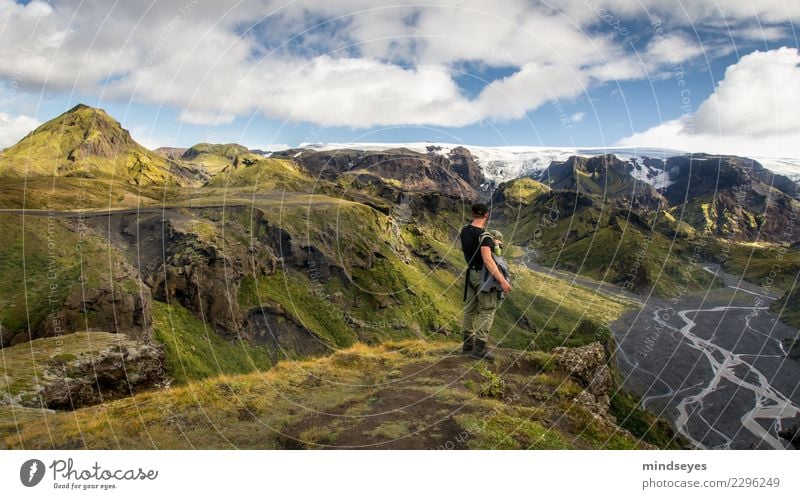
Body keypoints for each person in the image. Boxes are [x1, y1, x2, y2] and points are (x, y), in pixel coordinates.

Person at [459, 203, 511, 360]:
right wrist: (503, 281)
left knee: (470, 309)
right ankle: (479, 349)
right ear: (486, 215)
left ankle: (467, 345)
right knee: (487, 310)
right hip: (483, 277)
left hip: (470, 274)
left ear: (473, 213)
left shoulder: (465, 231)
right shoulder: (485, 236)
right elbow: (488, 261)